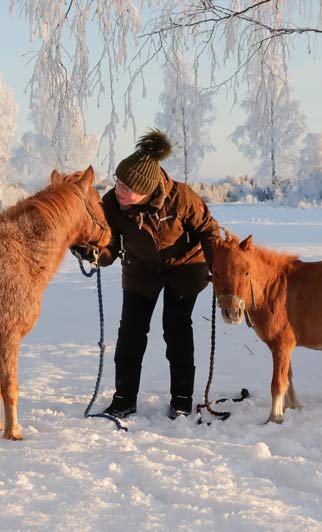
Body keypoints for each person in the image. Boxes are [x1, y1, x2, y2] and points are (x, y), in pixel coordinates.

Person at [73, 129, 220, 420]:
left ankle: (181, 401)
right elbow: (109, 248)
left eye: (127, 186)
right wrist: (92, 253)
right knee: (130, 333)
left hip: (186, 268)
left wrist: (219, 267)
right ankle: (124, 399)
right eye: (117, 182)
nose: (119, 190)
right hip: (141, 270)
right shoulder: (112, 206)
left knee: (176, 329)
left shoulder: (181, 197)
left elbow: (208, 230)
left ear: (147, 189)